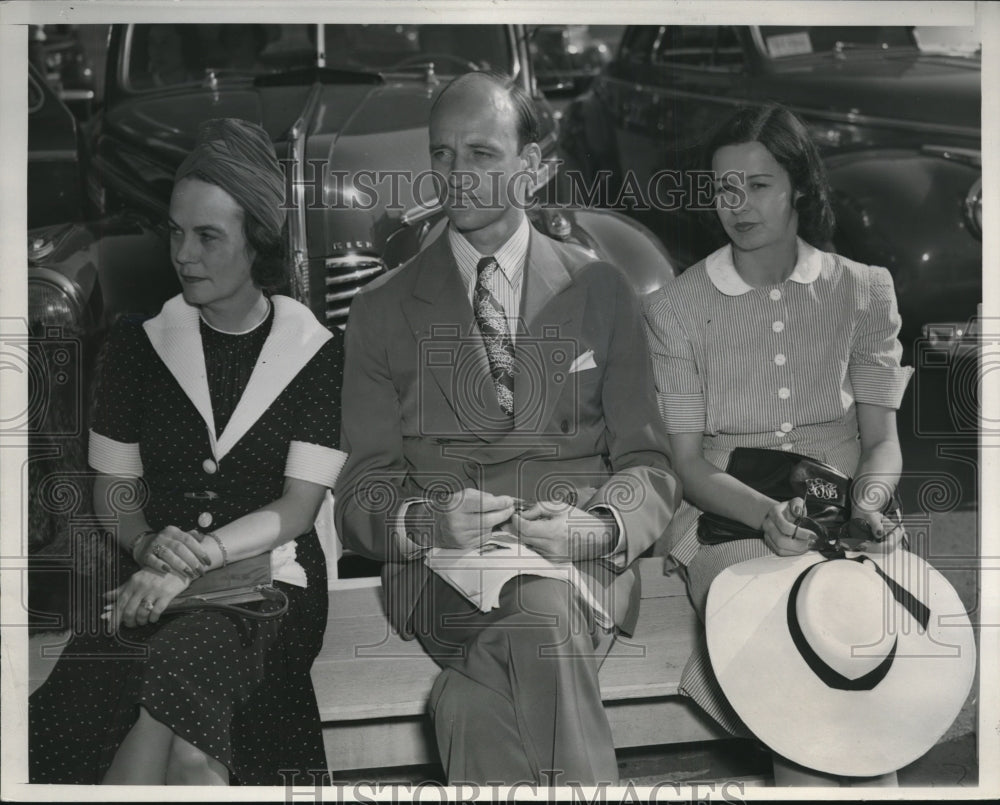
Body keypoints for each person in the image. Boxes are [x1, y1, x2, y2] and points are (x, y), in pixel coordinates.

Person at [335, 71, 679, 786]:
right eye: (442, 153)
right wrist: (429, 522)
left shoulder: (601, 288)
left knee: (473, 702)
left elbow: (649, 462)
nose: (456, 174)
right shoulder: (381, 309)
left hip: (579, 566)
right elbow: (361, 492)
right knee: (537, 620)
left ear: (532, 167)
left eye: (482, 154)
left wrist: (594, 529)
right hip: (445, 577)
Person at [29, 118, 345, 785]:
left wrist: (191, 564)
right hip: (150, 575)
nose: (184, 254)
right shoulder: (137, 345)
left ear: (256, 241)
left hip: (270, 583)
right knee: (108, 697)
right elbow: (114, 490)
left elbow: (297, 508)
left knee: (173, 673)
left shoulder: (315, 353)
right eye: (176, 232)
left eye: (208, 236)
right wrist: (148, 545)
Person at [643, 104, 914, 786]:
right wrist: (768, 517)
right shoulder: (675, 310)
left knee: (865, 656)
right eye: (723, 187)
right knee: (794, 656)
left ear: (799, 186)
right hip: (730, 522)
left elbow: (882, 442)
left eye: (758, 184)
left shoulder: (862, 290)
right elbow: (687, 465)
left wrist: (866, 503)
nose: (737, 204)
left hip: (847, 514)